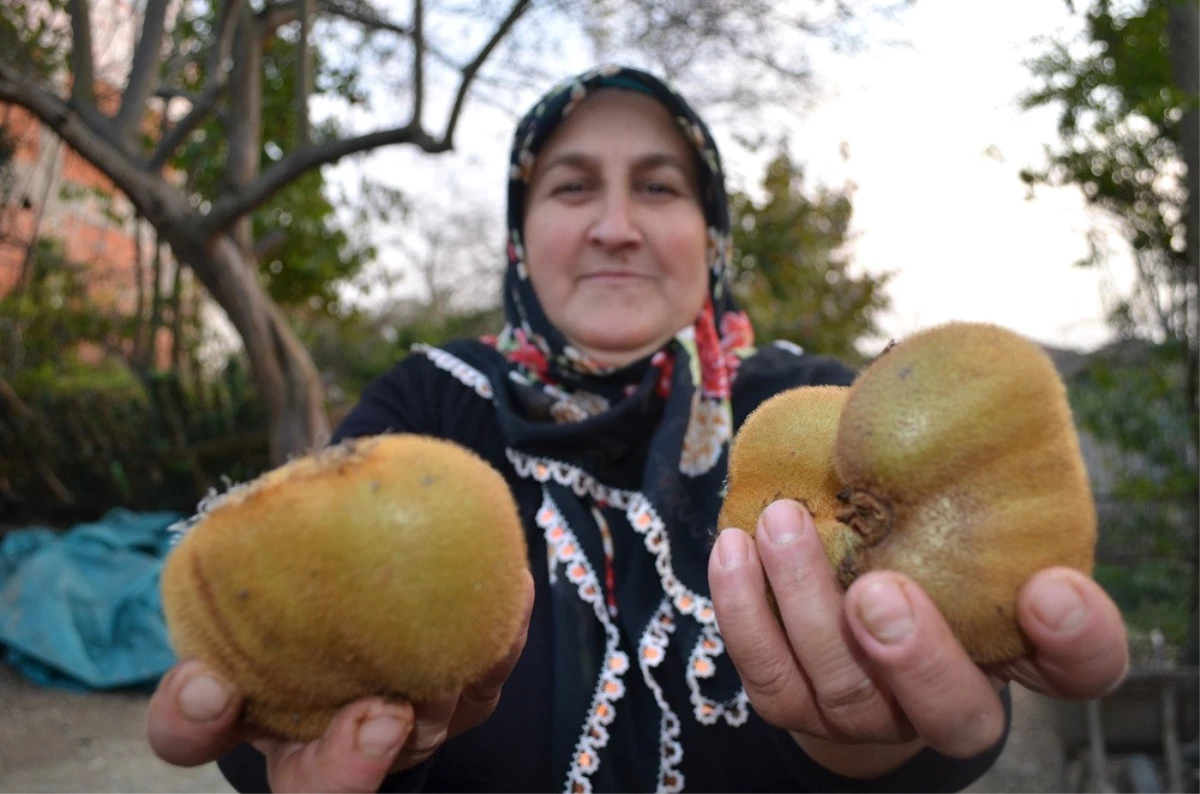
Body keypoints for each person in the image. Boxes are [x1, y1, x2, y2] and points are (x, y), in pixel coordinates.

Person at [146, 65, 1130, 794]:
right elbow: (288, 644)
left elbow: (964, 678)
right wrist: (279, 711)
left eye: (660, 187)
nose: (615, 223)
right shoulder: (432, 403)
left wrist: (875, 744)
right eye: (572, 186)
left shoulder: (825, 408)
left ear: (712, 234)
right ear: (518, 233)